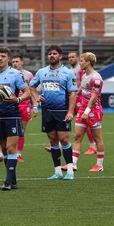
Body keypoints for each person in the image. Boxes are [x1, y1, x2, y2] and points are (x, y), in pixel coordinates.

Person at [0, 47, 31, 190]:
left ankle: (8, 182)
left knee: (11, 148)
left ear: (8, 58)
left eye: (2, 56)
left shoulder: (15, 74)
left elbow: (27, 92)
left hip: (13, 115)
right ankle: (13, 181)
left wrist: (17, 100)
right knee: (4, 150)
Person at [29, 45, 77, 180]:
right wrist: (36, 97)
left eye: (54, 54)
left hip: (62, 110)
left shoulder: (67, 73)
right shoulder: (41, 72)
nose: (52, 56)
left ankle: (70, 171)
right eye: (49, 54)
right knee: (53, 140)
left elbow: (73, 93)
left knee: (65, 139)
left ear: (60, 56)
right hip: (47, 111)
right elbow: (31, 86)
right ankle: (57, 172)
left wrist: (70, 112)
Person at [0, 54, 34, 163]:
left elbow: (31, 90)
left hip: (23, 104)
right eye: (14, 62)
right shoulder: (7, 73)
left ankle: (18, 154)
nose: (15, 63)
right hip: (8, 105)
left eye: (17, 61)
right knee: (4, 134)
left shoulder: (28, 75)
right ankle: (0, 154)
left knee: (20, 132)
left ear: (22, 62)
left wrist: (35, 106)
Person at [71, 52, 105, 172]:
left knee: (97, 138)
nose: (80, 63)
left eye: (82, 61)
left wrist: (87, 111)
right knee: (77, 136)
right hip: (83, 109)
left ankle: (99, 165)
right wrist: (75, 93)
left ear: (88, 62)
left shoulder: (96, 78)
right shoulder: (85, 75)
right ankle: (73, 164)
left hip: (93, 110)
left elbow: (94, 97)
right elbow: (82, 89)